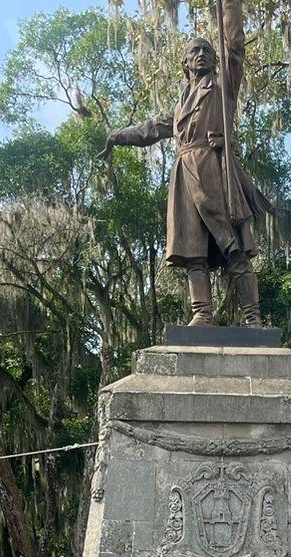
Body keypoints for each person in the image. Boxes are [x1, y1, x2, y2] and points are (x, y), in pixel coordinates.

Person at [98, 0, 271, 326]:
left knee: (233, 247)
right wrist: (114, 136)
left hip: (215, 171)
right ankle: (201, 313)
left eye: (206, 49)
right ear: (185, 63)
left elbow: (234, 48)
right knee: (193, 252)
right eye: (195, 51)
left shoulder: (222, 88)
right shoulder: (178, 108)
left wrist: (231, 6)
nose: (202, 53)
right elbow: (147, 130)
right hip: (184, 176)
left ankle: (253, 318)